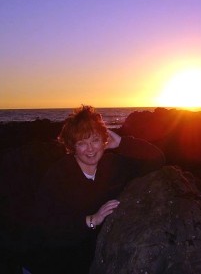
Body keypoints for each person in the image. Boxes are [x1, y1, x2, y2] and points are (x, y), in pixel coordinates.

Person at [23, 105, 165, 273]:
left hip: (85, 262)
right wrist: (91, 220)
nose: (90, 149)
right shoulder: (59, 174)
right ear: (72, 146)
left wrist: (121, 142)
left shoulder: (114, 166)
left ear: (104, 141)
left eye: (95, 140)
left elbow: (157, 159)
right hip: (46, 263)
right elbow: (45, 226)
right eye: (82, 143)